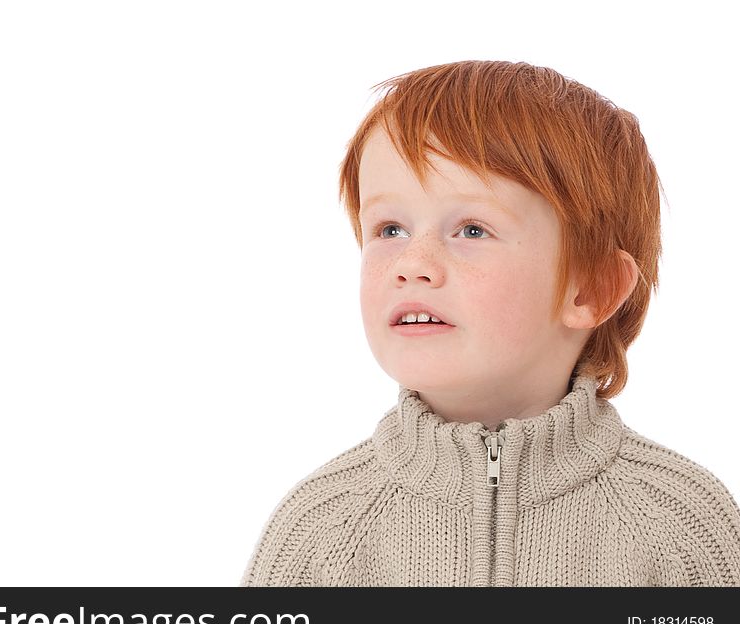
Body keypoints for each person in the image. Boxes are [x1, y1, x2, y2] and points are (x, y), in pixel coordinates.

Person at [239, 60, 740, 586]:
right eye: (389, 228)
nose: (413, 263)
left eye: (472, 230)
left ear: (591, 289)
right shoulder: (321, 529)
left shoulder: (680, 526)